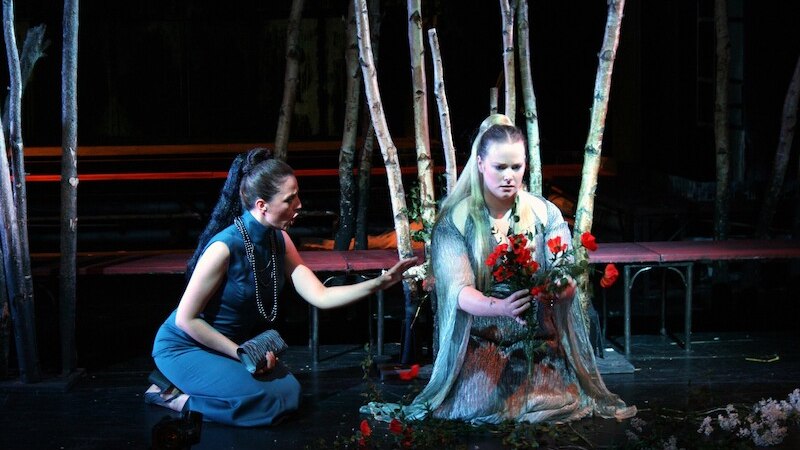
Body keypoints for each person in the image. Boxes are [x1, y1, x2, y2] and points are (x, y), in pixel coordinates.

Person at [362, 114, 635, 424]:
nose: (509, 176)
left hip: (537, 339)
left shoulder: (545, 213)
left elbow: (563, 271)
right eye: (500, 167)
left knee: (551, 401)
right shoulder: (456, 220)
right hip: (484, 340)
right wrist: (501, 307)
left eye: (516, 167)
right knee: (482, 404)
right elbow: (458, 292)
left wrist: (562, 287)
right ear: (480, 164)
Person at [146, 148, 417, 427]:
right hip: (185, 347)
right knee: (267, 404)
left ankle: (201, 388)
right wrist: (242, 354)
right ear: (263, 205)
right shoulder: (223, 248)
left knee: (289, 393)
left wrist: (381, 282)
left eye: (297, 194)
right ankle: (173, 397)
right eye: (290, 199)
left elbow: (320, 295)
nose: (298, 204)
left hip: (230, 348)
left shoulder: (280, 240)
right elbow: (186, 320)